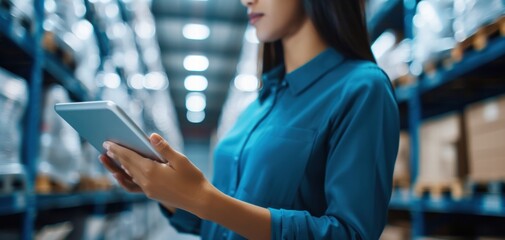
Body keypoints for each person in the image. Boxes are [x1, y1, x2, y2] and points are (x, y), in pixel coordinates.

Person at [99, 0, 400, 238]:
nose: (247, 1)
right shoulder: (257, 107)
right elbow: (221, 225)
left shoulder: (361, 88)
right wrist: (168, 192)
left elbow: (351, 233)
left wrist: (203, 200)